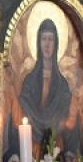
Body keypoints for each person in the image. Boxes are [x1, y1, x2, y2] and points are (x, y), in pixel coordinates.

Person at [17, 17, 74, 153]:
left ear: (56, 44)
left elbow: (66, 120)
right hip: (31, 146)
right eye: (44, 39)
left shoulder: (62, 85)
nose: (47, 44)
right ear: (38, 43)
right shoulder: (29, 81)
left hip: (55, 147)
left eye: (50, 39)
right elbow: (23, 109)